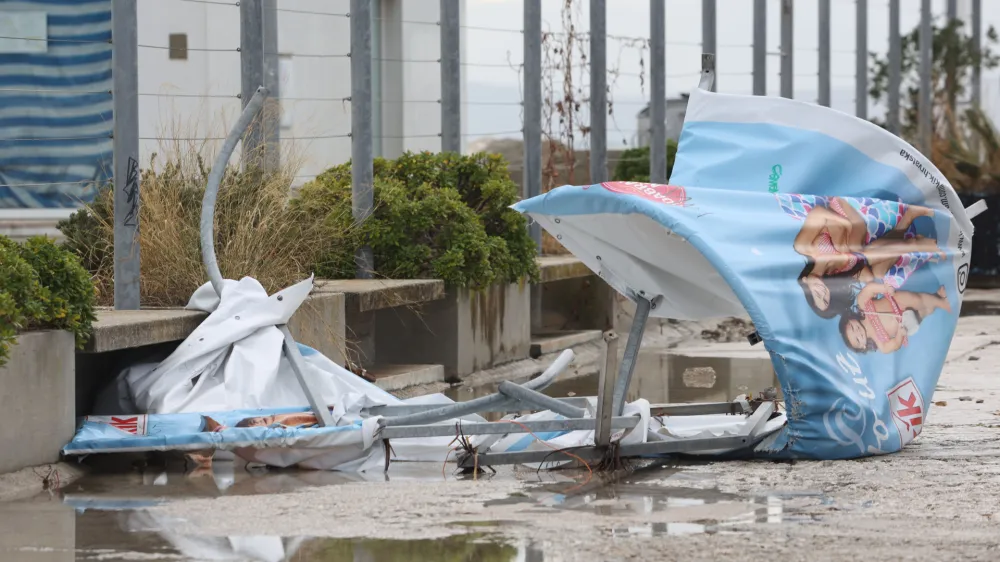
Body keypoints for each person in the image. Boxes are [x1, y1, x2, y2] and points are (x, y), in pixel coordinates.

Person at [839, 283, 951, 354]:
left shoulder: (862, 306)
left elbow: (868, 290)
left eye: (852, 327)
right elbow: (892, 346)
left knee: (918, 300)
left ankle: (941, 302)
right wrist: (899, 335)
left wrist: (884, 288)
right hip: (906, 322)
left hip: (897, 301)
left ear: (850, 318)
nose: (857, 332)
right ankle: (937, 297)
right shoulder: (877, 340)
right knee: (925, 311)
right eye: (857, 340)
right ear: (863, 347)